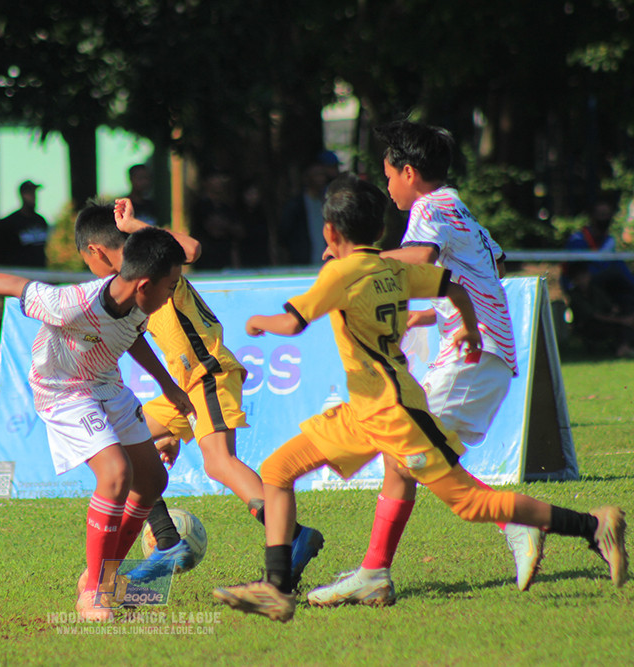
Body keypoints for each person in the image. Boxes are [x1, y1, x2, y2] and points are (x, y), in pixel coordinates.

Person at [212, 174, 628, 622]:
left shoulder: (340, 272)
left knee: (470, 503)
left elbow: (293, 323)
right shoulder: (393, 268)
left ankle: (592, 525)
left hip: (395, 415)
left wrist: (256, 322)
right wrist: (467, 326)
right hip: (367, 409)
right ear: (380, 230)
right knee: (278, 469)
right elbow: (453, 286)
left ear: (331, 233)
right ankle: (276, 589)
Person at [306, 121, 536, 608]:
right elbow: (491, 265)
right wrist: (427, 311)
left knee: (411, 453)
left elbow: (422, 256)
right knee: (402, 457)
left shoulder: (430, 208)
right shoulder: (456, 205)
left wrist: (355, 259)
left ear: (409, 172)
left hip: (471, 352)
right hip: (485, 350)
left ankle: (516, 520)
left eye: (388, 177)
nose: (387, 188)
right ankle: (374, 573)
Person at [0, 211, 195, 622]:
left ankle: (102, 575)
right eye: (170, 287)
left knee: (152, 480)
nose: (172, 295)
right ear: (146, 284)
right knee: (115, 474)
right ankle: (94, 593)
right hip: (62, 392)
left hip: (105, 385)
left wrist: (167, 386)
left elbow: (131, 337)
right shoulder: (72, 304)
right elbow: (17, 286)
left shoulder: (139, 302)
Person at [73, 197, 324, 590]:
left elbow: (189, 250)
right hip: (184, 387)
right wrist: (168, 429)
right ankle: (168, 541)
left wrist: (135, 224)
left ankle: (293, 536)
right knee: (123, 444)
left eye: (86, 260)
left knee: (219, 463)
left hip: (208, 374)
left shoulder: (154, 265)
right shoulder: (126, 289)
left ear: (95, 250)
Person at [562, 196, 634, 316]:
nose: (605, 218)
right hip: (585, 291)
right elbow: (576, 273)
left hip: (609, 289)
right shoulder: (578, 240)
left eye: (607, 214)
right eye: (601, 214)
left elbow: (621, 267)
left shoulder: (609, 241)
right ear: (592, 216)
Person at [278, 151, 340, 266]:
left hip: (328, 263)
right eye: (316, 175)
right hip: (304, 263)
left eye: (322, 175)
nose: (320, 179)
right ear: (307, 178)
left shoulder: (330, 202)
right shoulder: (296, 205)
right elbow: (284, 232)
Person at [190, 170, 245, 270]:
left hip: (226, 259)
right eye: (215, 178)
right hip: (207, 260)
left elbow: (240, 231)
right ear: (206, 182)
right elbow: (213, 229)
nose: (219, 181)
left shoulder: (227, 207)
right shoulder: (201, 206)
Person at [0, 180, 49, 268]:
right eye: (30, 193)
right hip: (19, 274)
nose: (34, 197)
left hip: (39, 274)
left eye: (34, 193)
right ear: (22, 195)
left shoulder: (40, 221)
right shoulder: (9, 223)